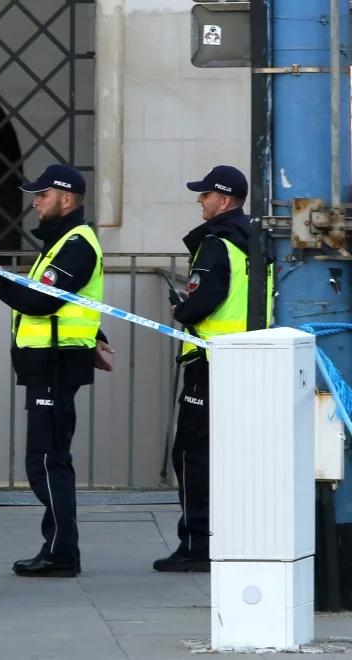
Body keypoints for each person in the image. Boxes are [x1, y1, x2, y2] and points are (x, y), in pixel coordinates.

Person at [0, 163, 112, 578]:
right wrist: (94, 337)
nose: (35, 202)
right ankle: (58, 546)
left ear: (67, 199)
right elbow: (69, 301)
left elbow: (42, 302)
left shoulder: (76, 244)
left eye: (42, 195)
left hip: (54, 363)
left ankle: (62, 551)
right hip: (51, 361)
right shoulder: (63, 242)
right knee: (49, 458)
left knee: (47, 461)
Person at [154, 165, 261, 573]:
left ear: (225, 200)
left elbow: (203, 301)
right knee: (237, 455)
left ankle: (198, 544)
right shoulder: (255, 240)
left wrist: (182, 308)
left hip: (210, 361)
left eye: (205, 195)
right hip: (248, 359)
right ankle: (238, 537)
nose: (199, 200)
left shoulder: (217, 242)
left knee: (191, 453)